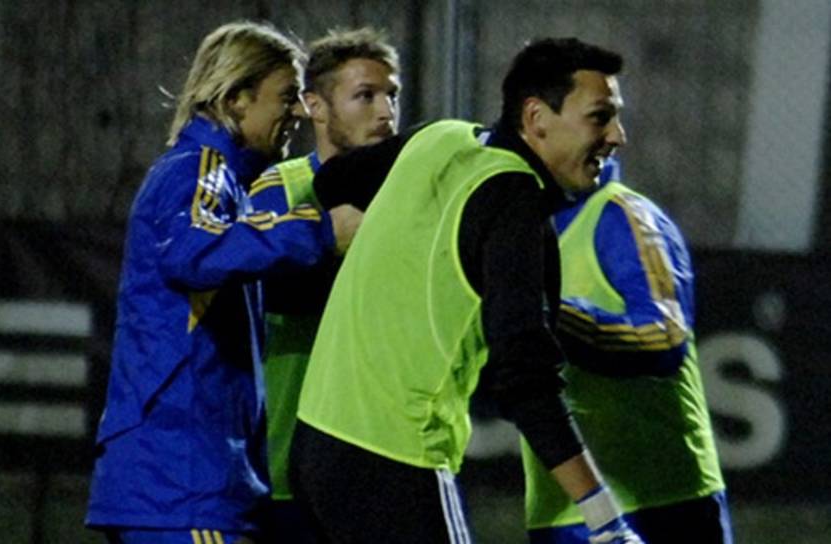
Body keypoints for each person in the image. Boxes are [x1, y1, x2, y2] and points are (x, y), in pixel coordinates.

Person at [290, 38, 643, 544]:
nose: (617, 136)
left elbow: (334, 180)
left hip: (316, 445)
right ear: (537, 117)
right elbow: (527, 381)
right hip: (396, 462)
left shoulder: (441, 136)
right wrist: (605, 519)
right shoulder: (515, 201)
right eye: (600, 117)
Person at [85, 20, 359, 544]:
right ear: (236, 98)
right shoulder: (198, 169)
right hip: (183, 481)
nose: (299, 112)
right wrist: (320, 231)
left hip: (184, 481)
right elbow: (193, 253)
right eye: (286, 96)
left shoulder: (224, 179)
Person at [521, 157, 733, 543]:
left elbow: (662, 339)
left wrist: (545, 315)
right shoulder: (512, 230)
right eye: (598, 123)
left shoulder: (624, 216)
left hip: (662, 503)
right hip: (560, 509)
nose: (615, 135)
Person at [249, 27, 400, 541]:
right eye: (365, 96)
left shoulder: (407, 197)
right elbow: (266, 289)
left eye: (391, 95)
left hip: (377, 461)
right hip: (285, 463)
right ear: (314, 105)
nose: (386, 112)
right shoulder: (280, 190)